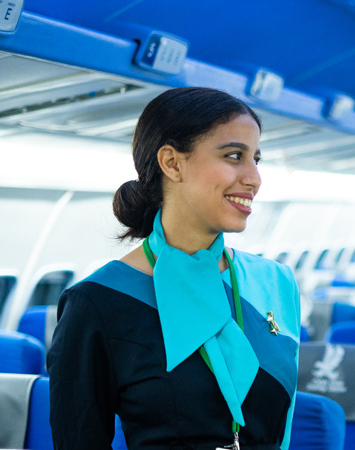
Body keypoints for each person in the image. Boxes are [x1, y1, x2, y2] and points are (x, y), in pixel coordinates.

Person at [49, 87, 301, 450]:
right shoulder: (98, 302)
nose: (254, 179)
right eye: (234, 156)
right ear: (172, 163)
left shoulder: (275, 282)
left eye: (256, 160)